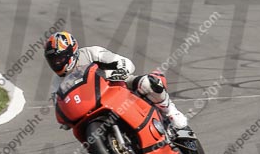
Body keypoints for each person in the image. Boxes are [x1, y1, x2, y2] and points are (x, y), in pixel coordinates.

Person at [44, 31, 188, 130]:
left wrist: (119, 71)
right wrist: (66, 119)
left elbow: (125, 62)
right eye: (53, 60)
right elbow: (60, 108)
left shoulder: (91, 53)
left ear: (71, 51)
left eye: (60, 58)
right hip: (90, 105)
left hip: (115, 84)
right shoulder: (56, 85)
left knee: (147, 83)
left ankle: (171, 112)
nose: (57, 63)